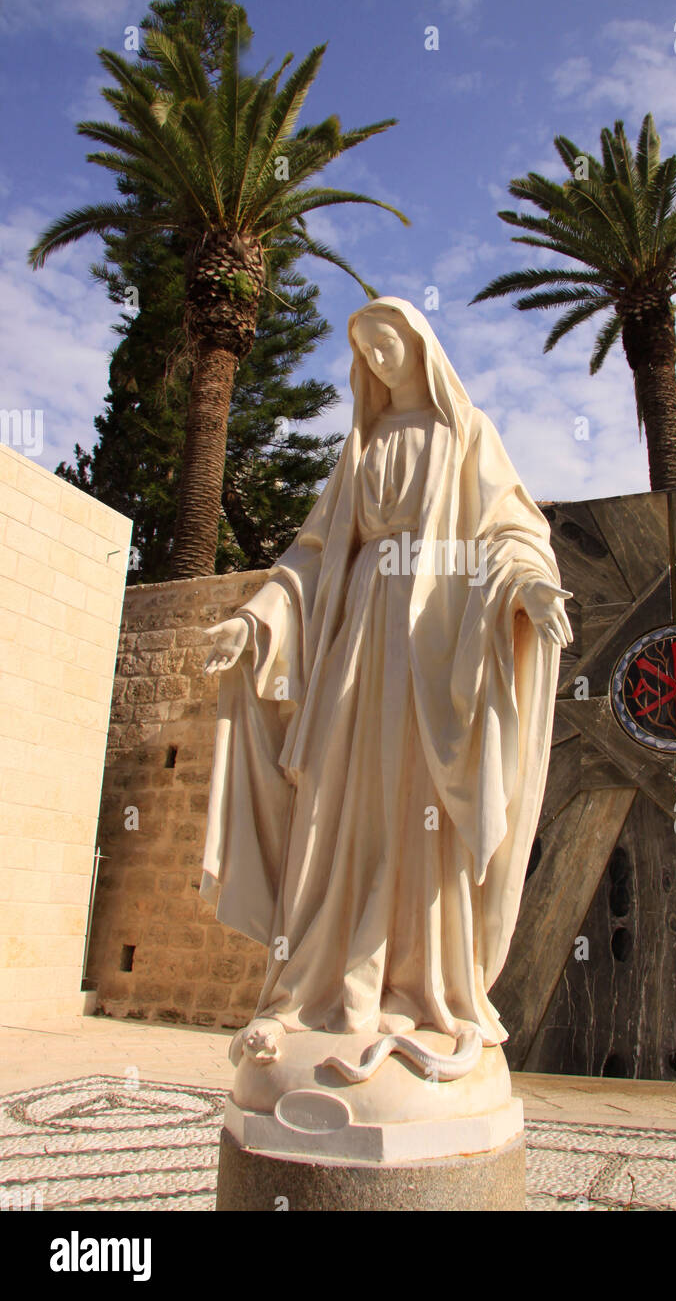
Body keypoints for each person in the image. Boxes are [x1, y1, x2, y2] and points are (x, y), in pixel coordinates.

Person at [201, 297, 571, 1080]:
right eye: (364, 346)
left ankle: (418, 979)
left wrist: (529, 587)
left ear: (419, 342)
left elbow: (511, 528)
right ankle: (322, 977)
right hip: (361, 634)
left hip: (435, 639)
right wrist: (257, 620)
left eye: (389, 340)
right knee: (334, 793)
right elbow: (309, 554)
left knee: (419, 802)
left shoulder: (468, 432)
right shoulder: (361, 444)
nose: (377, 356)